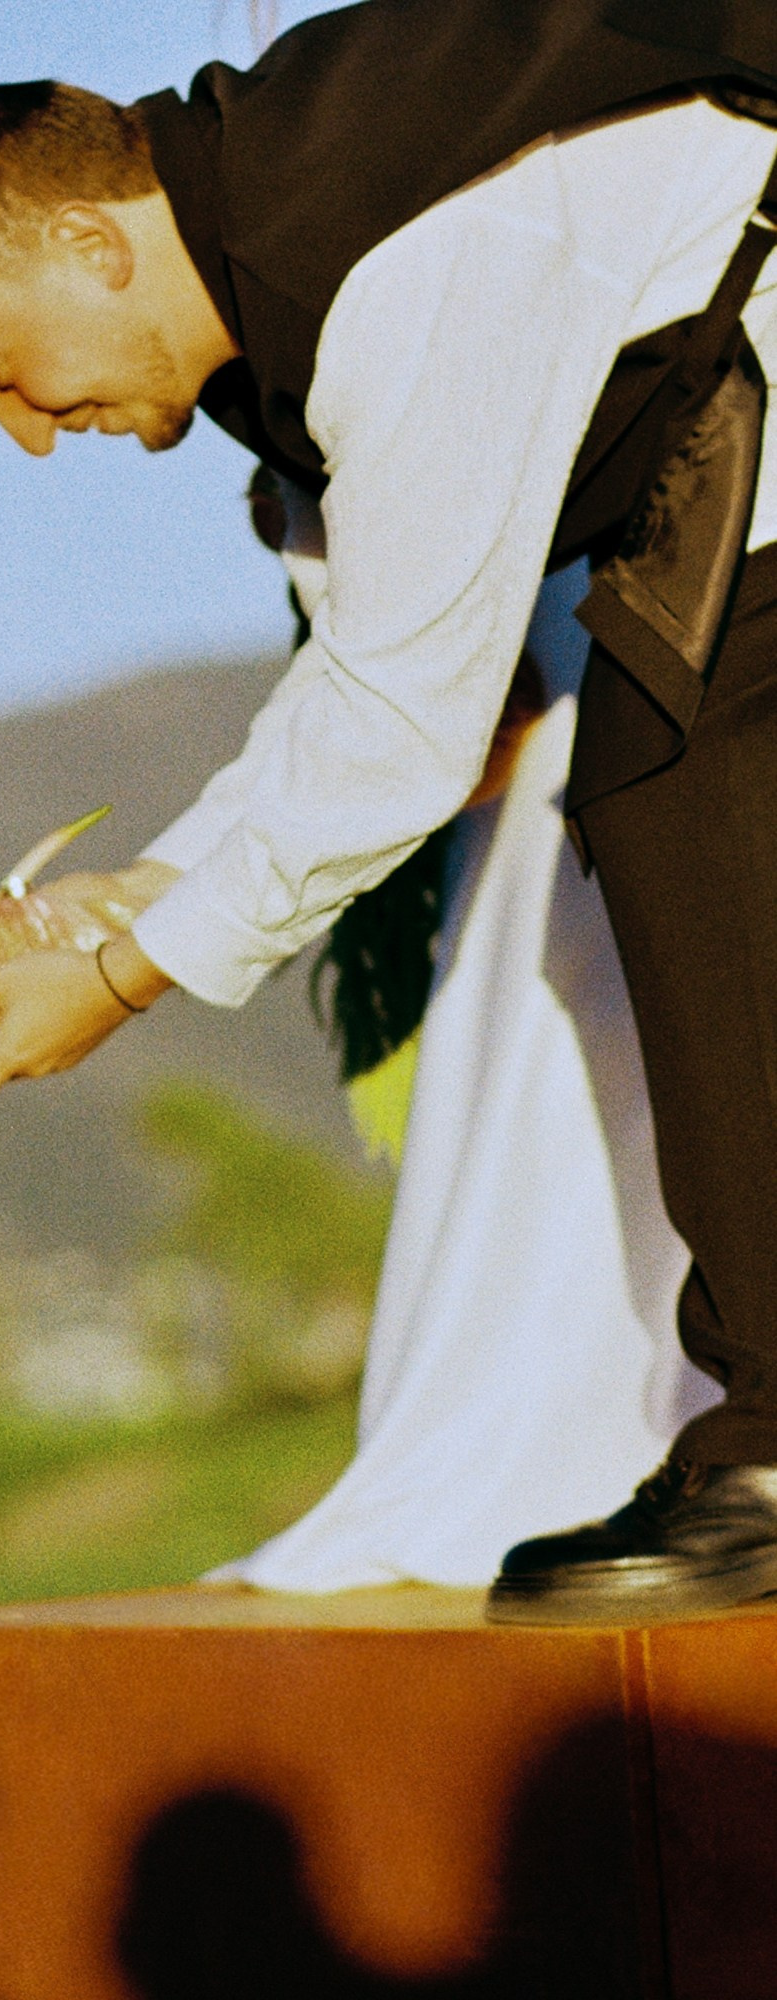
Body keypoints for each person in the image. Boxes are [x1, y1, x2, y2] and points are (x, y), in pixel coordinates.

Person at [0, 1, 777, 1623]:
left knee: (685, 793)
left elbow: (400, 730)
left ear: (90, 242)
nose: (23, 433)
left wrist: (121, 980)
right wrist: (134, 895)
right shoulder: (263, 305)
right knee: (655, 785)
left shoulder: (378, 247)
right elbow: (352, 692)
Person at [216, 482, 714, 1590]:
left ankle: (656, 1416)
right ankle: (653, 1418)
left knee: (596, 988)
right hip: (595, 594)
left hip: (626, 593)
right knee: (582, 993)